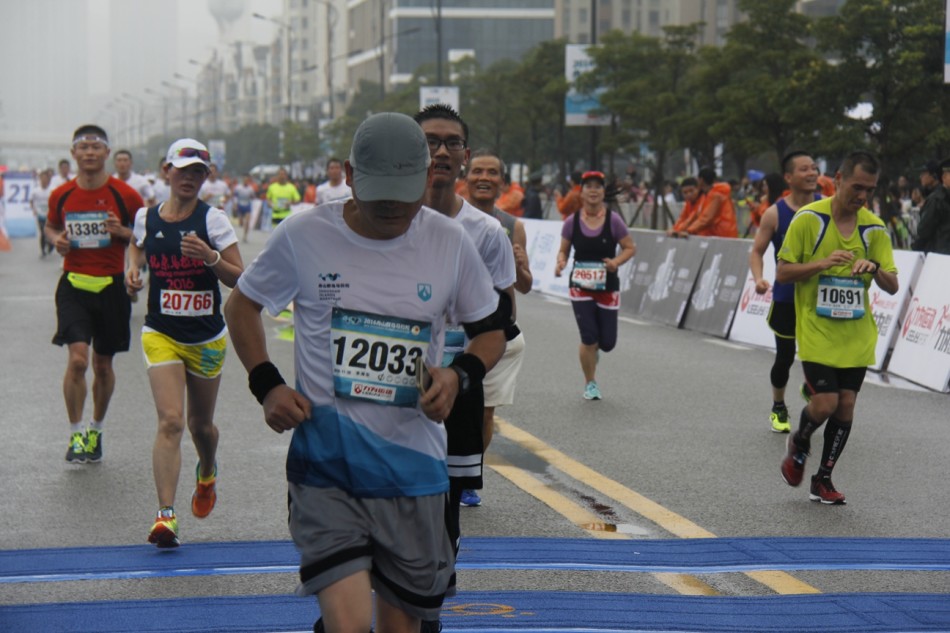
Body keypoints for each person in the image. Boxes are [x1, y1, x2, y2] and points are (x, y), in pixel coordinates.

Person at [224, 112, 506, 633]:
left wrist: (458, 375)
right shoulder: (304, 234)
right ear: (350, 176)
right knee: (348, 625)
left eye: (405, 191)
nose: (394, 206)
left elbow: (492, 330)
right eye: (379, 193)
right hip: (327, 469)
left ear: (428, 176)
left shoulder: (449, 242)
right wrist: (266, 385)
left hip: (414, 472)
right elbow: (242, 306)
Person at [125, 139, 244, 548]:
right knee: (172, 420)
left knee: (200, 426)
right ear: (166, 171)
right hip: (161, 332)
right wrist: (132, 271)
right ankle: (165, 516)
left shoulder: (214, 221)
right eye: (183, 169)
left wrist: (210, 258)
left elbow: (238, 279)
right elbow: (136, 247)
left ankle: (207, 470)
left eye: (198, 172)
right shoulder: (146, 217)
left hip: (206, 337)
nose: (190, 177)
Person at [778, 151, 898, 505]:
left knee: (846, 406)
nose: (862, 195)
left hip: (856, 334)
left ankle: (822, 479)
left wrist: (874, 267)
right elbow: (783, 273)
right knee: (827, 402)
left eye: (869, 190)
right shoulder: (808, 220)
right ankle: (800, 440)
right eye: (857, 186)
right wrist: (821, 263)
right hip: (817, 331)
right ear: (839, 178)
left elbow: (892, 284)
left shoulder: (874, 228)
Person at [414, 106, 517, 514]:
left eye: (451, 143)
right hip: (390, 380)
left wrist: (463, 374)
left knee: (446, 513)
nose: (440, 152)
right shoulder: (384, 219)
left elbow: (504, 314)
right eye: (429, 142)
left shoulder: (487, 231)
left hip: (457, 378)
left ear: (464, 155)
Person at [44, 124, 145, 463]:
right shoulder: (61, 194)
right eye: (82, 147)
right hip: (73, 284)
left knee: (102, 366)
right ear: (73, 153)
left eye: (96, 147)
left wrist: (123, 231)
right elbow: (51, 225)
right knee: (77, 360)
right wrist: (56, 238)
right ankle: (75, 435)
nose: (89, 152)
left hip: (111, 287)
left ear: (107, 153)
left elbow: (143, 235)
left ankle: (96, 430)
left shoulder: (125, 195)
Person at [465, 149, 532, 492]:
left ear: (503, 183)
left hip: (499, 335)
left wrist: (521, 263)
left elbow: (525, 285)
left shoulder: (512, 225)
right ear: (466, 177)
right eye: (478, 171)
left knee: (484, 413)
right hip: (456, 333)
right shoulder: (447, 220)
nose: (484, 178)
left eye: (492, 173)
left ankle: (468, 475)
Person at [749, 152, 820, 433]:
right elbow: (756, 251)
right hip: (787, 296)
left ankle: (813, 385)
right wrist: (758, 278)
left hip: (820, 296)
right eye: (804, 169)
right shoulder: (775, 213)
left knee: (821, 354)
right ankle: (778, 405)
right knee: (786, 356)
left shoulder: (828, 207)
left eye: (814, 168)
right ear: (789, 177)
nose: (812, 173)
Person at [554, 170, 636, 400]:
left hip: (607, 287)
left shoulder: (614, 220)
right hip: (580, 286)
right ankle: (590, 383)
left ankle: (594, 352)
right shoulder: (572, 222)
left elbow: (630, 247)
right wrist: (560, 262)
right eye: (588, 186)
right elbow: (564, 250)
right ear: (581, 192)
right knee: (589, 336)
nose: (593, 190)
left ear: (603, 192)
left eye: (597, 186)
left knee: (607, 343)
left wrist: (616, 262)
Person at [684, 167, 739, 237]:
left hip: (721, 235)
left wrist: (688, 231)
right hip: (718, 234)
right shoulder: (707, 195)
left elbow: (706, 218)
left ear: (701, 180)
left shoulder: (716, 195)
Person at [912, 157, 950, 255]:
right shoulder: (937, 198)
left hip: (941, 254)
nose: (921, 177)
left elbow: (923, 230)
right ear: (944, 177)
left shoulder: (937, 199)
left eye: (924, 173)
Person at [30, 168, 55, 256]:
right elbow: (31, 201)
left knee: (49, 232)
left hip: (50, 215)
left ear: (48, 179)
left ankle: (51, 245)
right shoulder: (35, 191)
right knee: (42, 231)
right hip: (40, 214)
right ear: (40, 179)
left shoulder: (52, 190)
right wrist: (34, 210)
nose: (44, 180)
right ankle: (43, 250)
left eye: (46, 178)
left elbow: (56, 202)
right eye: (42, 178)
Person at [232, 174, 257, 243]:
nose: (246, 181)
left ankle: (245, 236)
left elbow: (253, 197)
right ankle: (242, 225)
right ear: (243, 180)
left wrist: (252, 196)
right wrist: (235, 205)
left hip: (247, 206)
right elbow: (235, 197)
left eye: (247, 180)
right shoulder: (238, 187)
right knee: (241, 222)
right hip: (240, 205)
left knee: (247, 221)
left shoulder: (250, 188)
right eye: (244, 180)